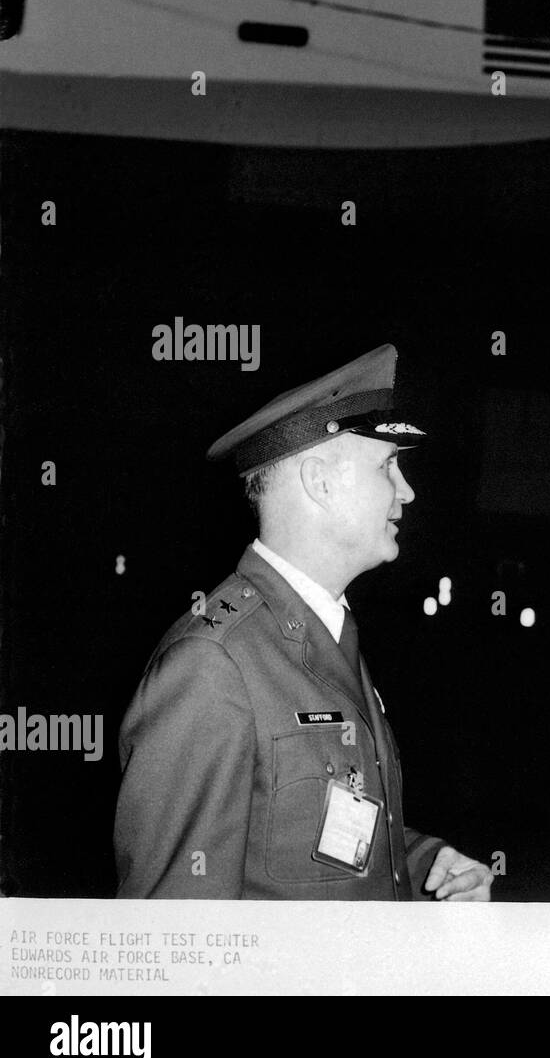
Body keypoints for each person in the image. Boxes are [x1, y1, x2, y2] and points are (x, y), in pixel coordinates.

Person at [114, 344, 492, 901]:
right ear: (320, 481)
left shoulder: (323, 630)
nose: (407, 491)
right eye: (387, 464)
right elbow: (179, 930)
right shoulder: (211, 665)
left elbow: (315, 832)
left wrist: (427, 866)